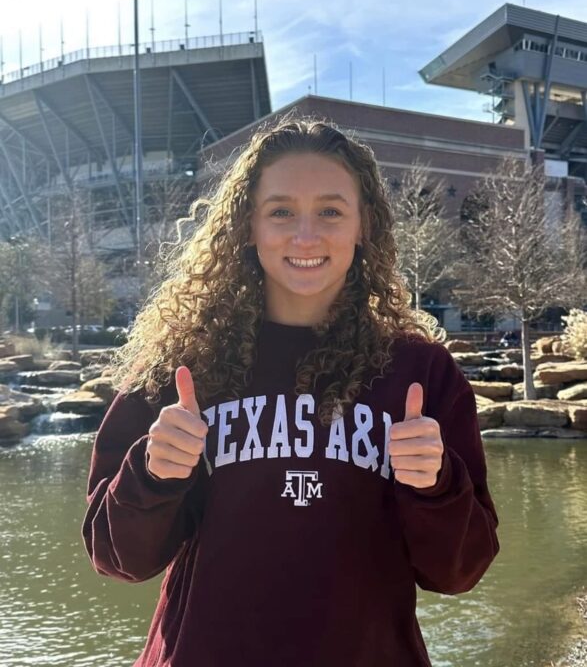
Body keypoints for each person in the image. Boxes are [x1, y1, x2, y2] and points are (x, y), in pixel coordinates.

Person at [82, 117, 499, 667]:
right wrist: (153, 473)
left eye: (330, 210)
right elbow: (119, 558)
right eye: (281, 211)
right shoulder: (181, 366)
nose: (306, 236)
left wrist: (436, 485)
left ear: (364, 224)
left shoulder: (422, 372)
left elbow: (459, 571)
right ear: (247, 226)